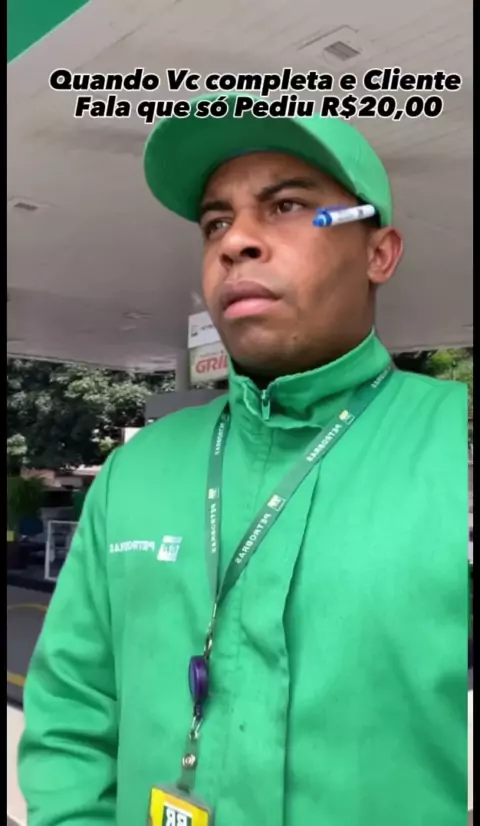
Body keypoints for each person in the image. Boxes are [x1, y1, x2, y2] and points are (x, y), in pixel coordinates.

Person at [19, 93, 468, 826]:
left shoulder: (451, 444)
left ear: (378, 252)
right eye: (216, 223)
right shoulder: (139, 470)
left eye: (288, 206)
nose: (236, 243)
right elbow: (73, 711)